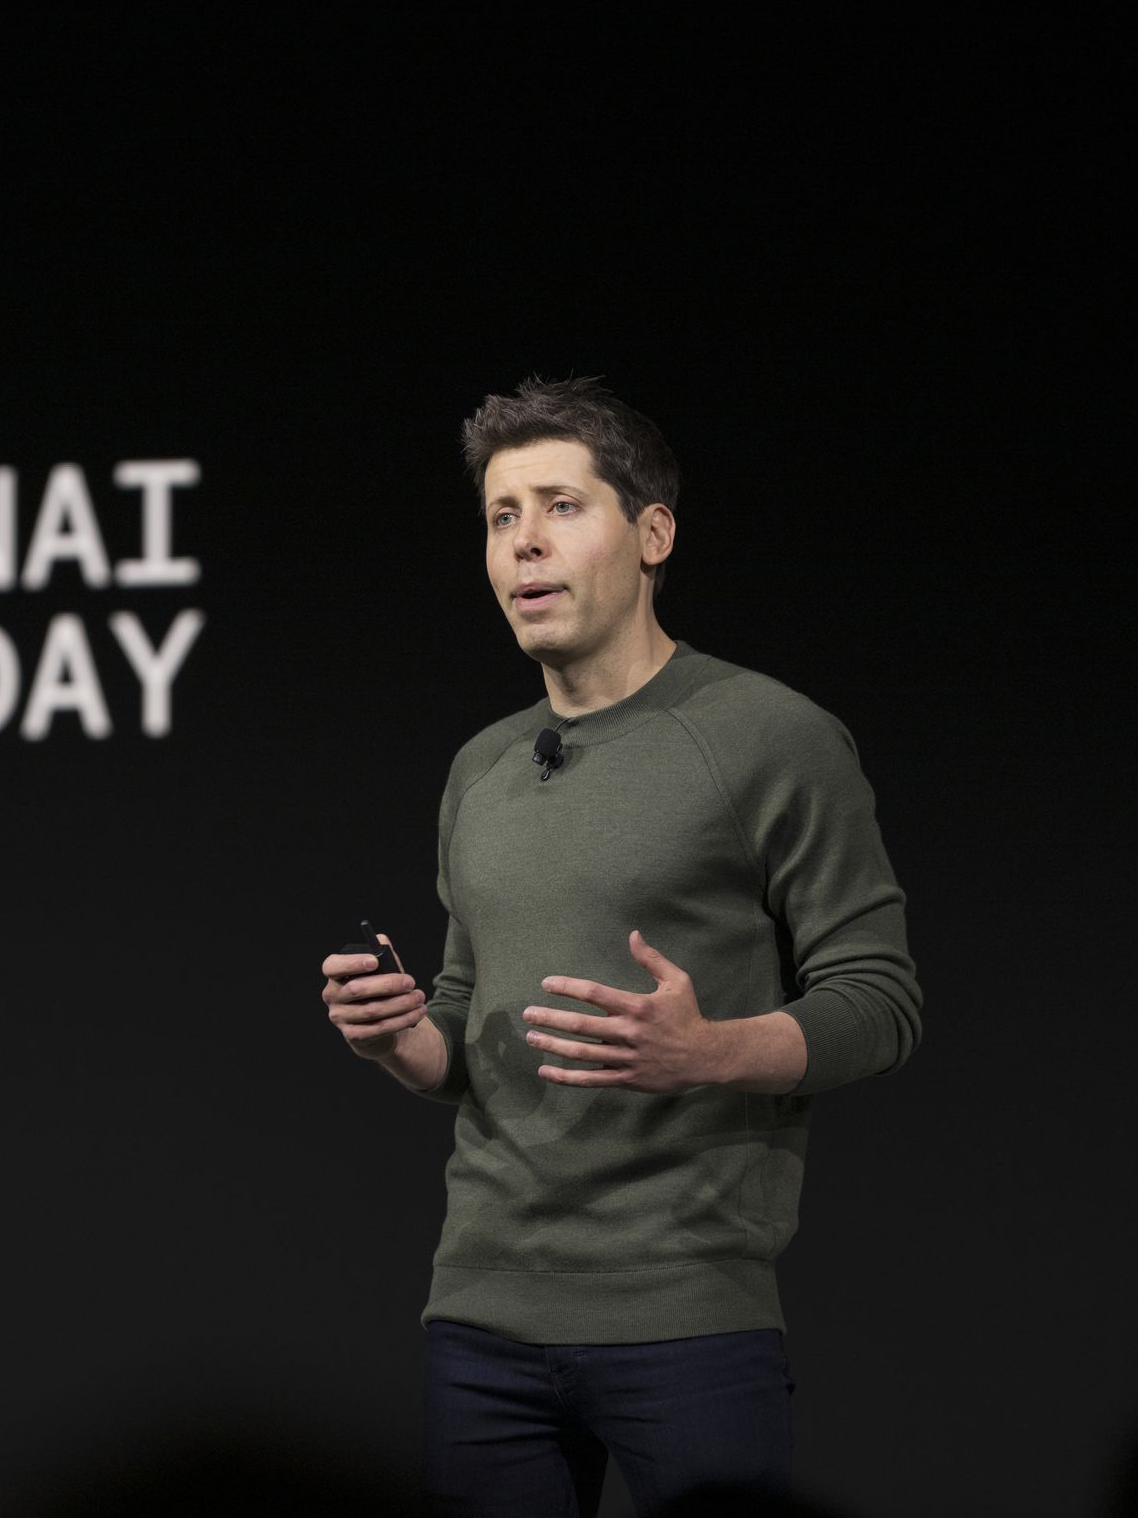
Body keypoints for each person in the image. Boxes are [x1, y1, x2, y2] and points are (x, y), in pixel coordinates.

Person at [320, 377, 921, 1518]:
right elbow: (462, 1020)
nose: (525, 544)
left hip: (686, 1314)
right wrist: (402, 1040)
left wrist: (711, 1050)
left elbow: (881, 999)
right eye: (502, 516)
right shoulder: (480, 767)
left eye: (560, 505)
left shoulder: (767, 736)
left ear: (653, 535)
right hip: (482, 1321)